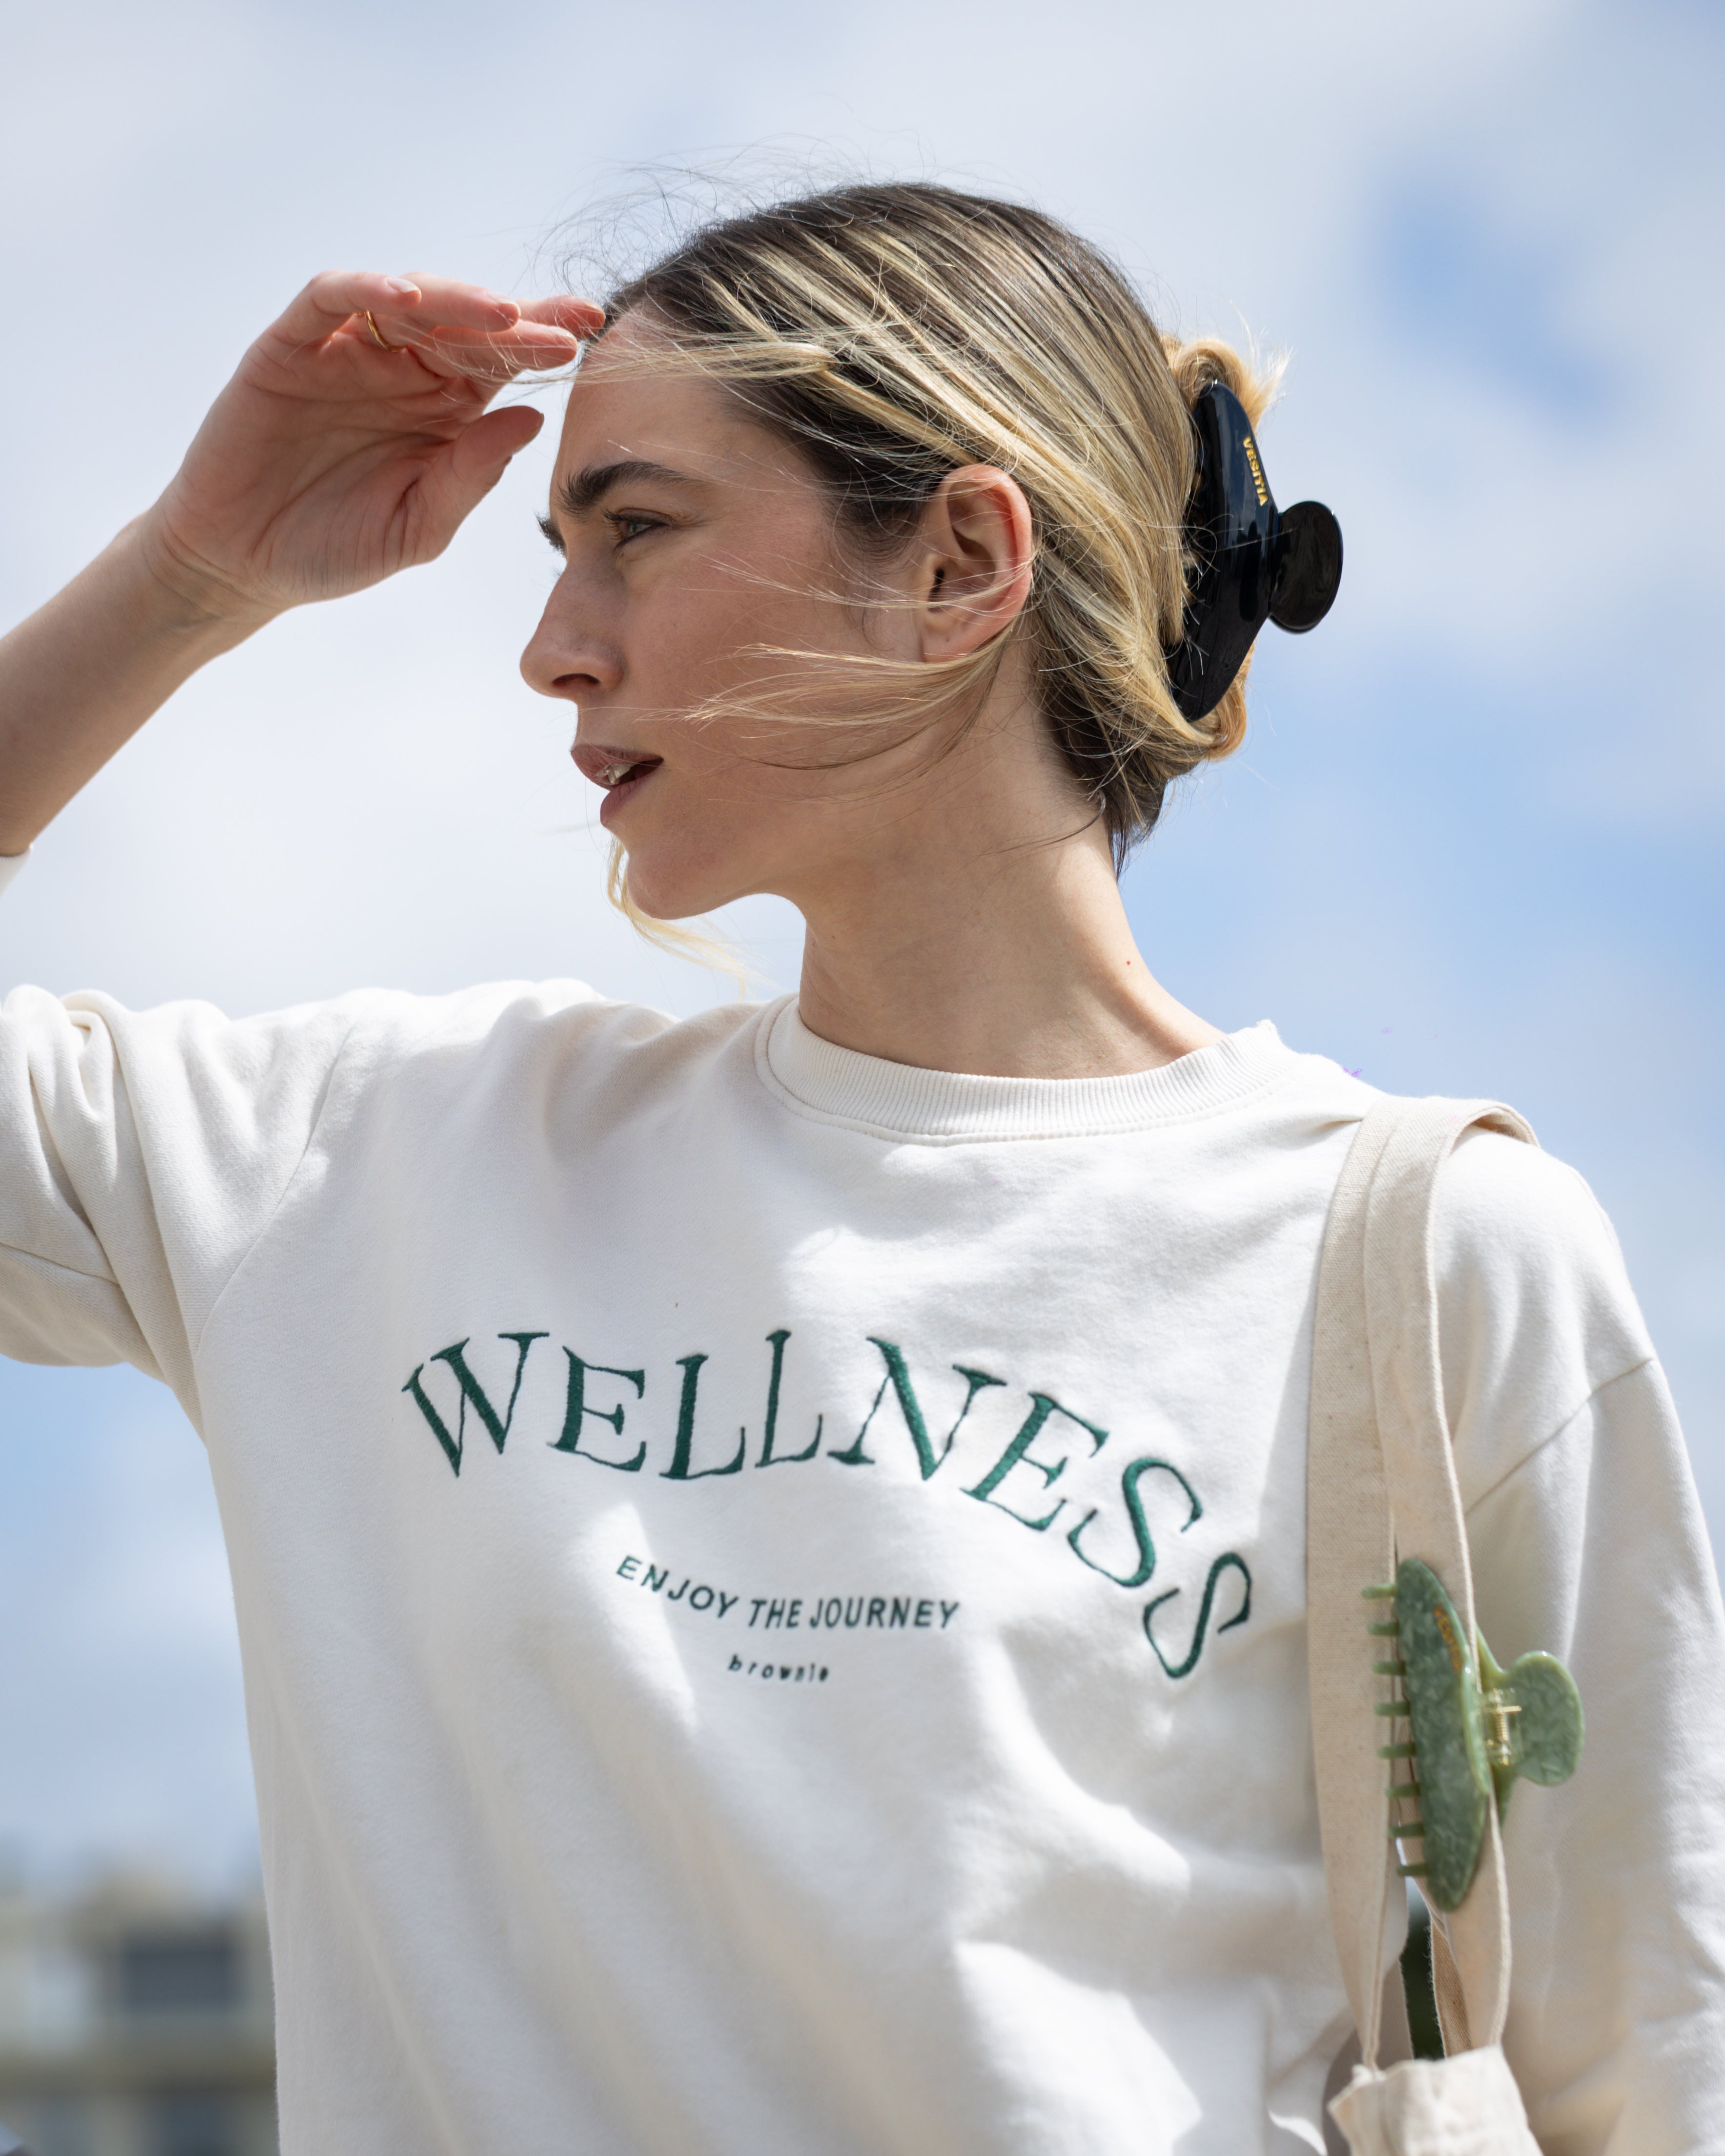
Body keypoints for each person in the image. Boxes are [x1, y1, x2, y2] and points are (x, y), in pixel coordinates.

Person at [0, 182, 1720, 2156]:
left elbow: (1643, 2078)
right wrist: (189, 573)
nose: (552, 652)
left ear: (958, 563)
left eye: (631, 532)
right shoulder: (360, 1166)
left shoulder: (1425, 1256)